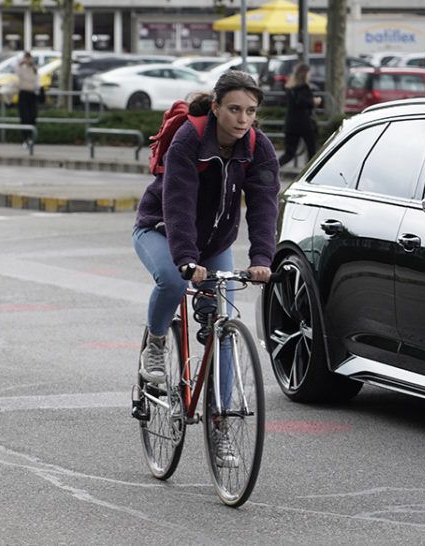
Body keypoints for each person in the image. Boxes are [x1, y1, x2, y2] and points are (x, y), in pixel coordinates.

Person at [132, 70, 280, 466]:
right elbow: (177, 203)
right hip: (160, 230)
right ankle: (158, 343)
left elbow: (265, 205)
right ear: (215, 108)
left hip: (214, 244)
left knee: (225, 330)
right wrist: (184, 259)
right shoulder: (189, 140)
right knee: (171, 282)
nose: (243, 118)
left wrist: (262, 259)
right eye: (234, 109)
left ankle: (221, 426)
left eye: (250, 111)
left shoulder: (257, 148)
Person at [278, 62, 321, 167]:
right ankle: (309, 175)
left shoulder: (290, 87)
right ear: (306, 74)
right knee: (312, 152)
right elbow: (305, 103)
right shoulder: (304, 88)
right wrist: (314, 101)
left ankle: (271, 169)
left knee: (289, 153)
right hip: (305, 124)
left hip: (291, 124)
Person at [15, 51, 39, 146]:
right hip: (23, 93)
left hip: (32, 94)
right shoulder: (20, 68)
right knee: (24, 117)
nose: (28, 60)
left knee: (32, 116)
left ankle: (31, 136)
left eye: (29, 58)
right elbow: (14, 67)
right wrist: (21, 62)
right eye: (26, 58)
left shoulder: (34, 69)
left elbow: (37, 81)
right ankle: (25, 138)